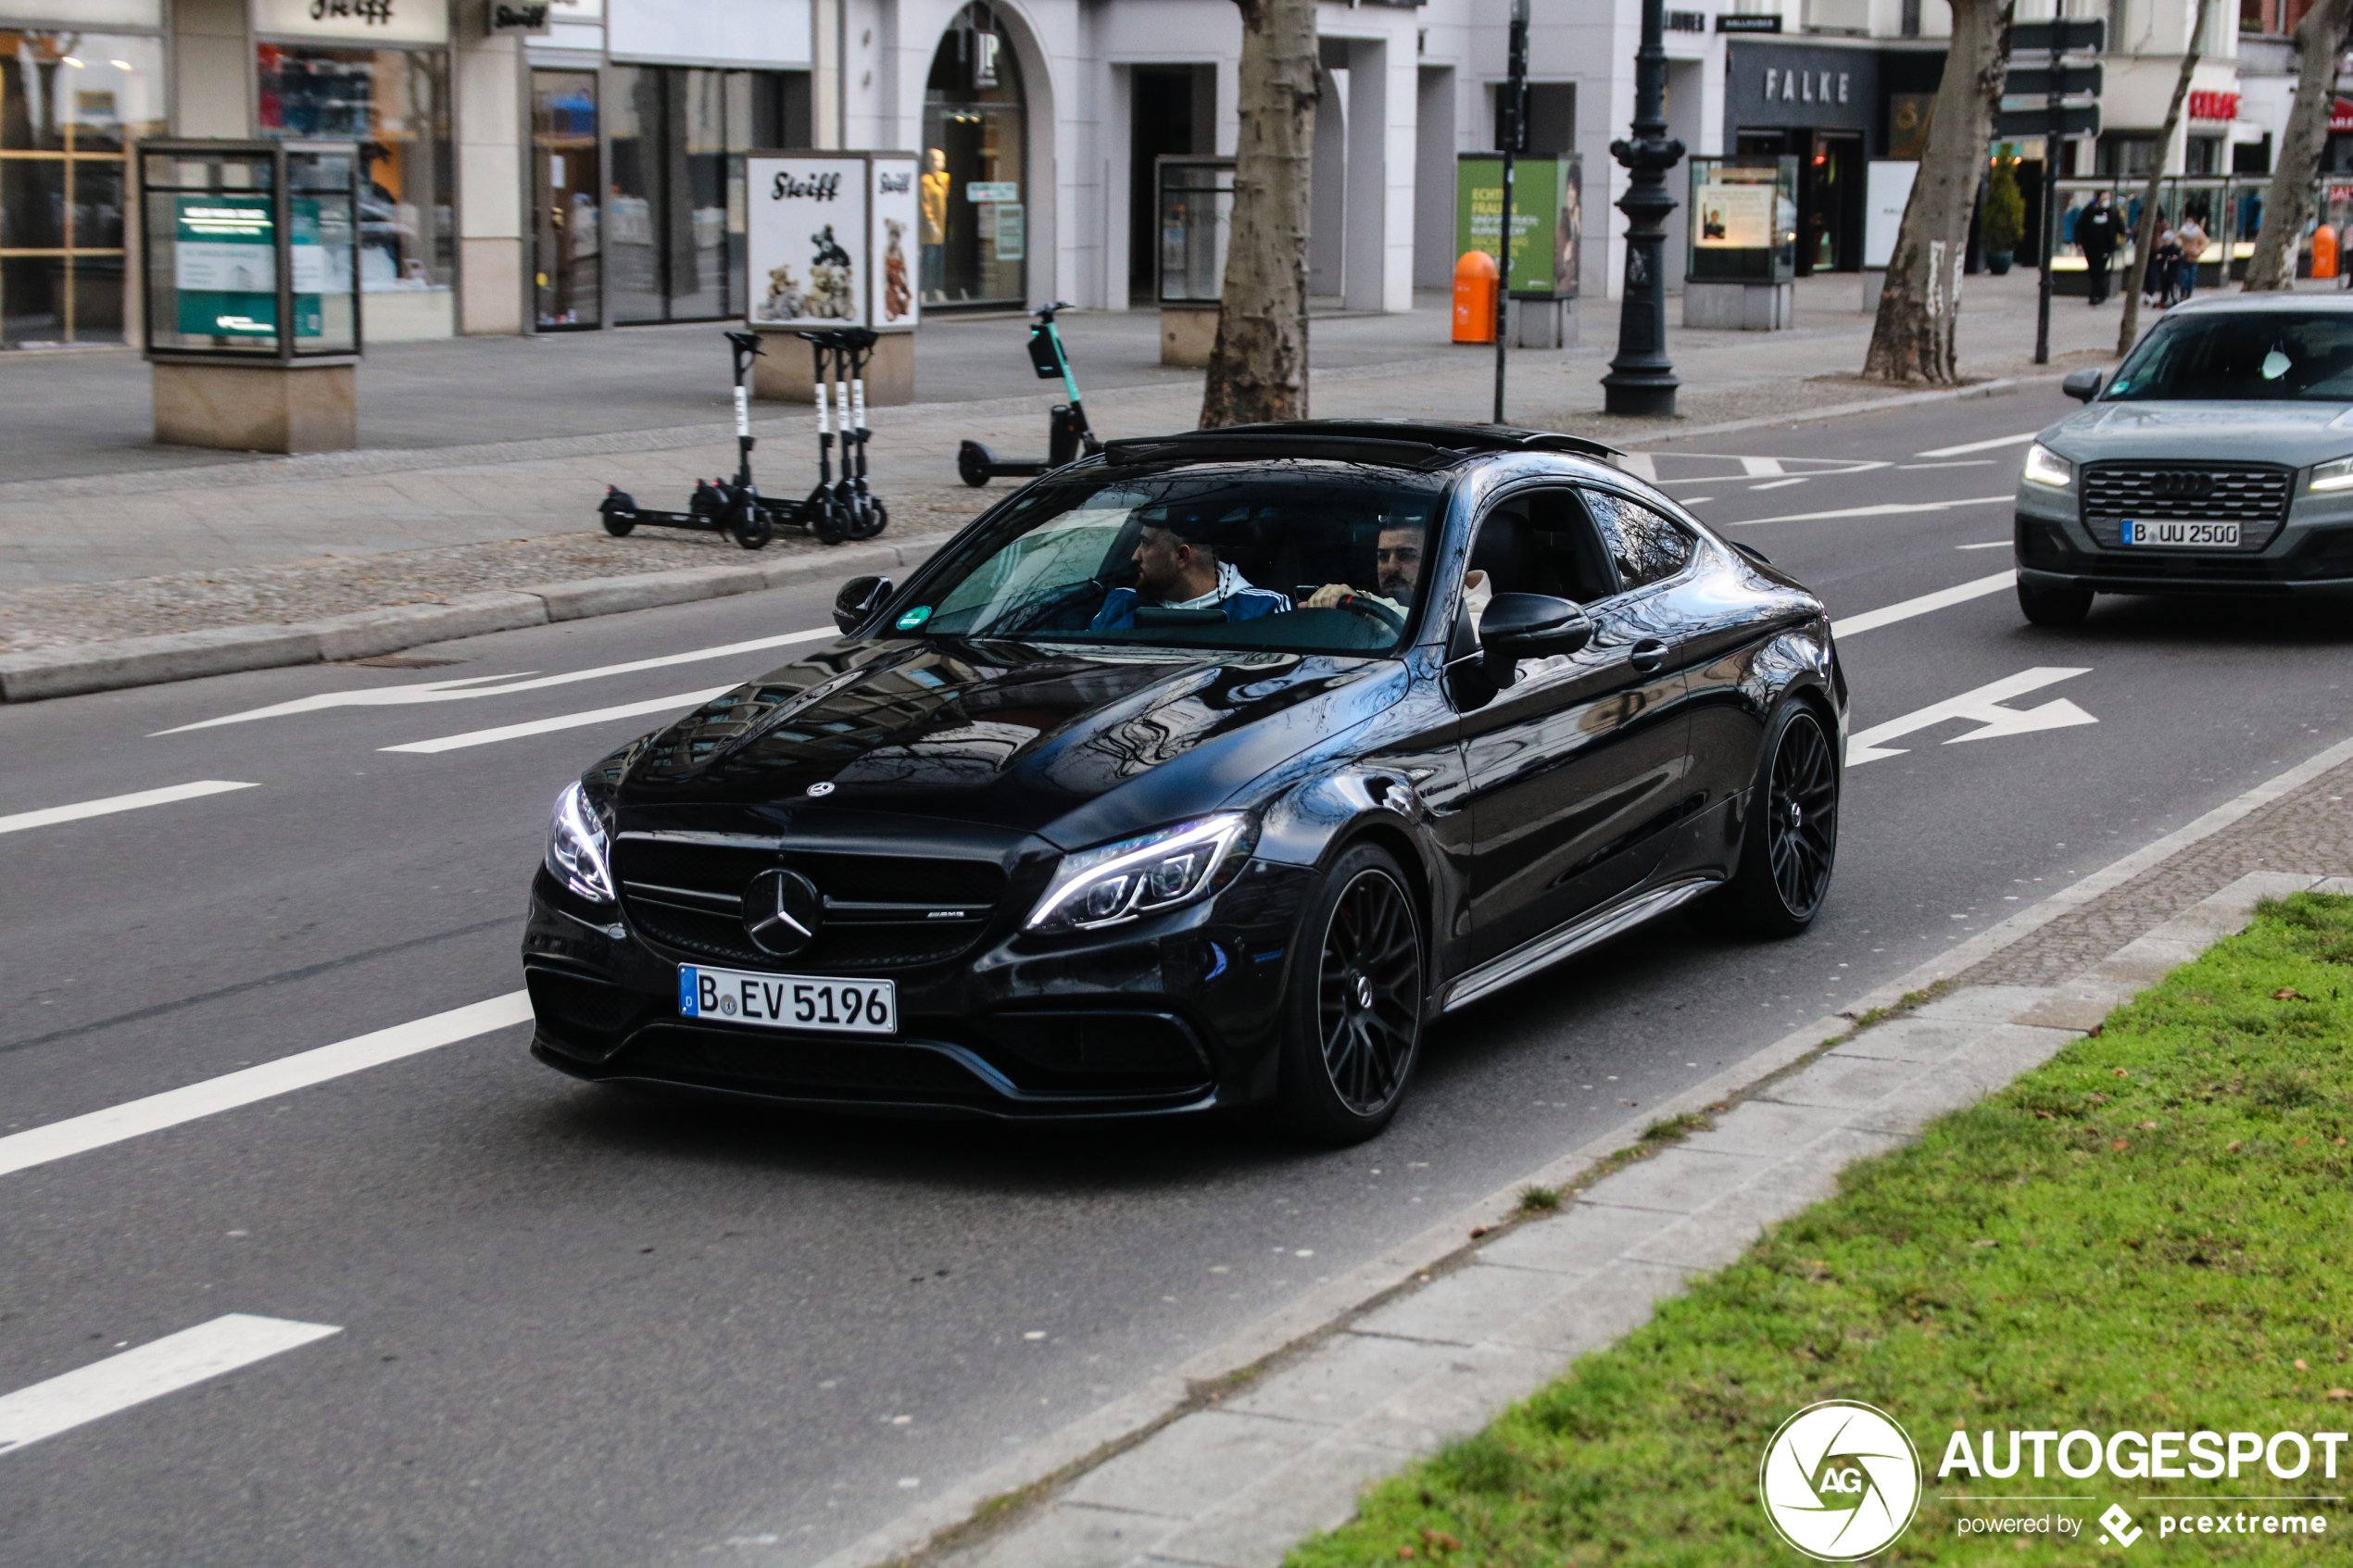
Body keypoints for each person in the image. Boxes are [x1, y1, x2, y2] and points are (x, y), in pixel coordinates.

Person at [1090, 519, 1290, 631]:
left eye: (1145, 543)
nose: (1135, 556)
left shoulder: (1266, 611)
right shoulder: (1119, 604)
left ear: (1181, 555)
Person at [2076, 192, 2120, 306]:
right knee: (2094, 270)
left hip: (2105, 247)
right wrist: (2079, 242)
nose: (2106, 200)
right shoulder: (2089, 211)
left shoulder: (2112, 212)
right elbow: (2080, 226)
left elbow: (2118, 225)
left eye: (2108, 198)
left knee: (2099, 270)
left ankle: (2096, 294)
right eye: (2104, 198)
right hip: (2090, 246)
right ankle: (2099, 292)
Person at [2176, 210, 2208, 301]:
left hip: (2194, 258)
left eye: (2191, 221)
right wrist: (2180, 247)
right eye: (2187, 221)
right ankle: (2183, 293)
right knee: (2183, 277)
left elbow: (2205, 243)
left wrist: (2199, 250)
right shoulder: (2183, 231)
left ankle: (2189, 293)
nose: (2188, 223)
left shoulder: (2198, 233)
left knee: (2191, 278)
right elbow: (2176, 239)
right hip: (2184, 257)